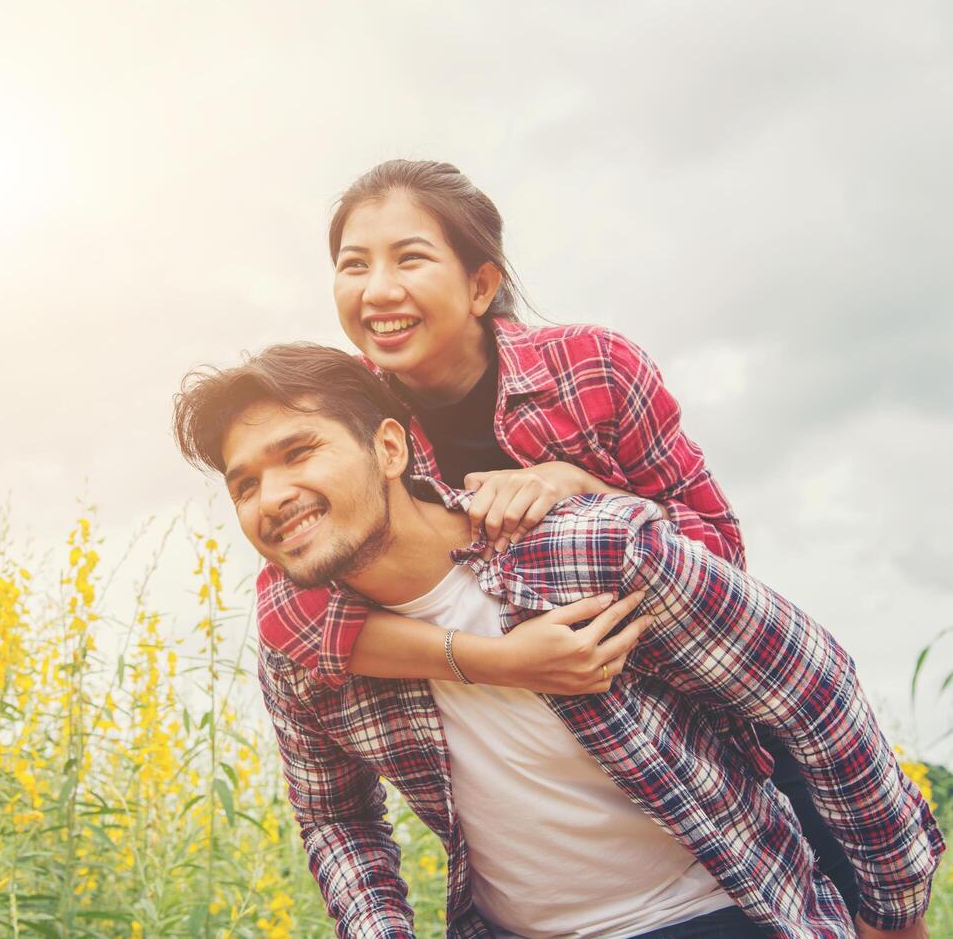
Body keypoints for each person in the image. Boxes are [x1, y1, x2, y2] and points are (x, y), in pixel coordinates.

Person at [171, 343, 944, 937]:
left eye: (298, 452)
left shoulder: (592, 551)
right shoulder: (302, 653)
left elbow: (814, 692)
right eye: (243, 483)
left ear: (389, 448)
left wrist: (893, 908)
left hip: (718, 911)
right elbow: (336, 820)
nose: (271, 496)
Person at [256, 159, 858, 911]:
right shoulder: (348, 413)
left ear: (479, 284)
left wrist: (579, 485)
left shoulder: (594, 369)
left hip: (717, 752)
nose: (376, 290)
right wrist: (501, 663)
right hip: (545, 801)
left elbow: (720, 554)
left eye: (408, 258)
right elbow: (289, 615)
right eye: (353, 266)